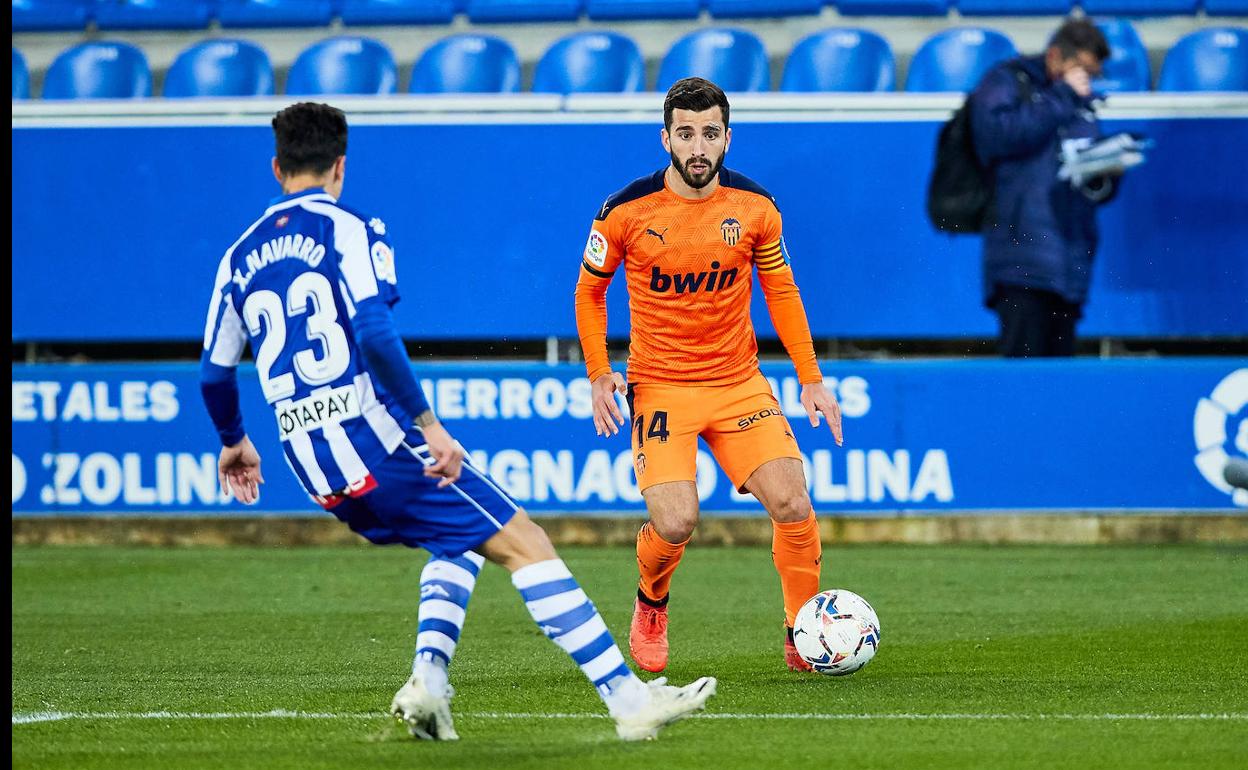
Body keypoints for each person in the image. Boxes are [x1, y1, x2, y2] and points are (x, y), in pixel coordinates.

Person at [199, 102, 715, 742]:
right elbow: (374, 332)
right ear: (340, 165)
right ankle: (626, 700)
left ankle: (428, 682)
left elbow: (215, 375)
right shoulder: (352, 230)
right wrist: (429, 426)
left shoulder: (237, 257)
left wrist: (233, 443)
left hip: (312, 466)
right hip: (379, 442)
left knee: (460, 538)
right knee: (526, 541)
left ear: (277, 167)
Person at [573, 78, 844, 674]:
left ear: (728, 138)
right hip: (662, 384)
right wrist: (598, 373)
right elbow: (590, 291)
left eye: (711, 134)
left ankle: (802, 633)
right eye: (687, 134)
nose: (699, 147)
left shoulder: (756, 208)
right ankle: (651, 603)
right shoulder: (624, 212)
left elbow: (781, 288)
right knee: (675, 521)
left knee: (793, 501)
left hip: (737, 381)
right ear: (665, 137)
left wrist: (811, 376)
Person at [969, 18, 1116, 358]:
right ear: (1054, 56)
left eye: (1092, 74)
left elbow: (1084, 164)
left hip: (1070, 260)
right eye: (1080, 68)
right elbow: (998, 135)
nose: (1085, 80)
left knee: (1059, 384)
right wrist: (1063, 95)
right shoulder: (1007, 81)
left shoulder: (1079, 100)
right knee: (1024, 378)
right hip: (1021, 260)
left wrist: (1106, 172)